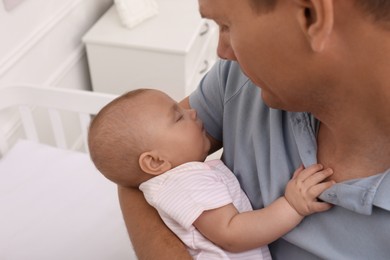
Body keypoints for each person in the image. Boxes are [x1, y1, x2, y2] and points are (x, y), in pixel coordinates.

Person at [117, 0, 390, 259]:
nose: (221, 51)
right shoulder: (241, 80)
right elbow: (135, 162)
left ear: (311, 15)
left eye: (226, 25)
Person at [88, 88, 334, 259]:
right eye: (178, 117)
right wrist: (292, 206)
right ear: (154, 161)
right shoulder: (186, 182)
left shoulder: (175, 182)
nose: (192, 112)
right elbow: (232, 233)